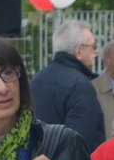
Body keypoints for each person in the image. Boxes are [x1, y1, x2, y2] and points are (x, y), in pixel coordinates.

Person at [32, 20, 106, 152]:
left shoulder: (37, 79)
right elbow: (79, 139)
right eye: (93, 47)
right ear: (79, 51)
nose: (95, 52)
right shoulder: (80, 85)